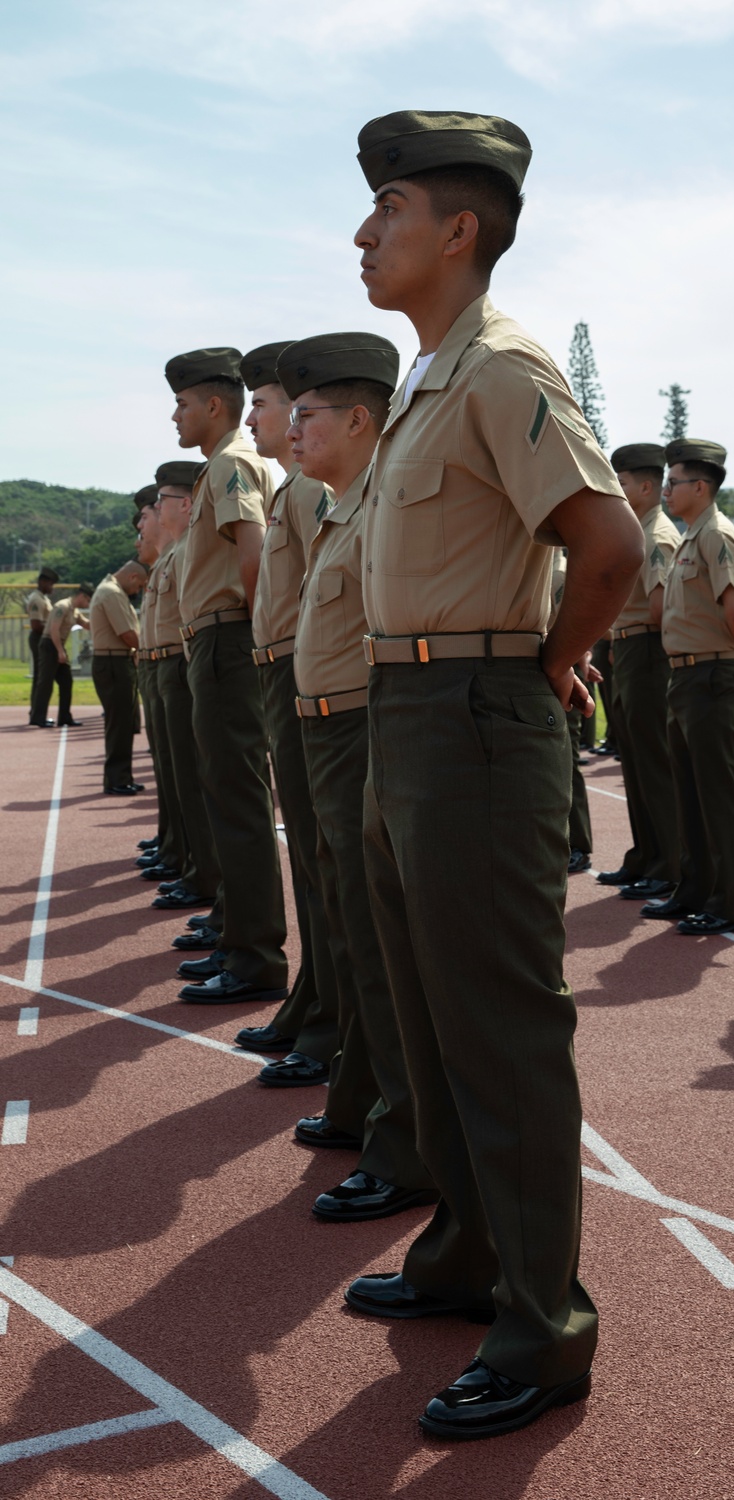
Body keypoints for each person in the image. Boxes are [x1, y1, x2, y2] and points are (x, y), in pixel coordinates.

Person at [343, 109, 644, 1440]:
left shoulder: (506, 367)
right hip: (407, 709)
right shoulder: (429, 379)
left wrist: (545, 667)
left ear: (457, 230)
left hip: (471, 708)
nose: (364, 232)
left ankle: (544, 1326)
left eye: (390, 209)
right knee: (426, 1019)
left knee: (504, 1038)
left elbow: (610, 546)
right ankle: (465, 1255)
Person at [277, 330, 438, 1223]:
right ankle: (368, 1108)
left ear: (361, 418)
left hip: (365, 730)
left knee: (381, 952)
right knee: (351, 936)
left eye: (307, 414)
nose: (294, 431)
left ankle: (406, 1145)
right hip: (329, 732)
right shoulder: (341, 504)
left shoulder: (382, 505)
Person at [163, 347, 287, 1004]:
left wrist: (256, 639)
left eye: (182, 403)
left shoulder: (234, 464)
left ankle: (254, 954)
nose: (174, 416)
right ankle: (235, 928)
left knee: (237, 800)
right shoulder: (222, 467)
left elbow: (253, 555)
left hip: (230, 642)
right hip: (216, 641)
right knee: (225, 795)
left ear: (215, 405)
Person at [236, 341, 341, 1085]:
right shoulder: (287, 490)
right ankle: (314, 1002)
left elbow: (318, 597)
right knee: (308, 860)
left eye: (265, 403)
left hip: (305, 675)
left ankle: (331, 1024)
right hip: (283, 672)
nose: (258, 416)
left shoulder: (306, 491)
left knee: (322, 861)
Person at [642, 439, 734, 935]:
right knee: (689, 793)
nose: (666, 490)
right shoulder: (693, 536)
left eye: (673, 482)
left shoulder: (717, 535)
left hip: (711, 674)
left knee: (716, 794)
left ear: (701, 486)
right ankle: (694, 888)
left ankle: (730, 900)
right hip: (687, 674)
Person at [597, 443, 680, 901]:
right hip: (628, 650)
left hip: (649, 651)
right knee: (634, 760)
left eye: (623, 483)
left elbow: (660, 607)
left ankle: (668, 861)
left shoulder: (658, 535)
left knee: (653, 762)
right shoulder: (637, 528)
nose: (617, 489)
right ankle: (646, 854)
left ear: (646, 486)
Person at [152, 461, 225, 933]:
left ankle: (206, 881)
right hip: (172, 662)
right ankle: (195, 870)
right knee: (181, 775)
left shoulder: (184, 553)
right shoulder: (173, 554)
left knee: (208, 786)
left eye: (159, 502)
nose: (151, 514)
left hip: (187, 658)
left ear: (183, 504)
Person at [134, 485, 184, 868]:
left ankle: (185, 854)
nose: (140, 525)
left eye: (146, 515)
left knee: (182, 770)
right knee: (167, 767)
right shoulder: (164, 562)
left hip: (176, 665)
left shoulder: (181, 555)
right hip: (157, 666)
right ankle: (173, 844)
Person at [549, 547, 593, 873]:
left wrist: (579, 664)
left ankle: (577, 843)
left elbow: (572, 628)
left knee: (567, 763)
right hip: (556, 671)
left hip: (562, 672)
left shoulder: (558, 571)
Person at [88, 561, 147, 794]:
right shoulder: (111, 593)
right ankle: (117, 780)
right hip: (113, 663)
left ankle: (121, 777)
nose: (138, 591)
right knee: (119, 723)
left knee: (123, 722)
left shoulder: (109, 589)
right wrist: (149, 650)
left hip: (115, 661)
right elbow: (128, 634)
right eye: (140, 585)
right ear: (132, 577)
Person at [33, 583, 93, 728]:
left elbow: (86, 624)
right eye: (88, 601)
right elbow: (54, 630)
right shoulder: (63, 606)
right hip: (50, 645)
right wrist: (60, 651)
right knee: (45, 683)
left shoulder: (74, 611)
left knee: (66, 682)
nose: (88, 604)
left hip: (58, 646)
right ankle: (37, 717)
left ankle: (64, 717)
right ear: (81, 596)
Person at [26, 566, 59, 725]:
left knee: (41, 677)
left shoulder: (44, 598)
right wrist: (53, 630)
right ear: (41, 582)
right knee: (41, 677)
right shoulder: (36, 599)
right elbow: (36, 625)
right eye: (49, 584)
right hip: (39, 638)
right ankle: (36, 713)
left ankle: (35, 711)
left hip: (44, 638)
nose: (51, 587)